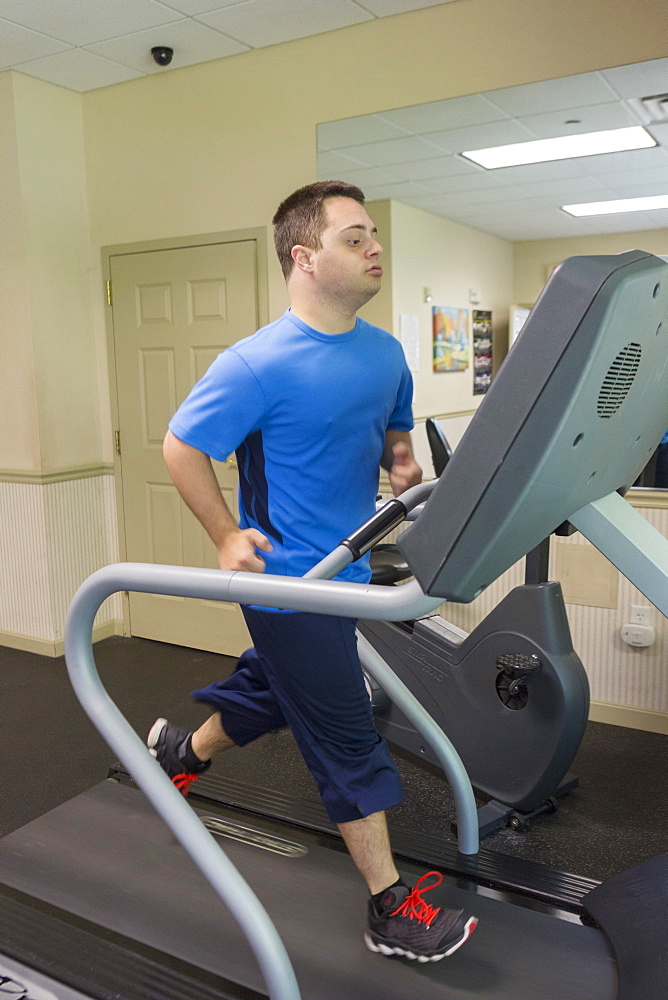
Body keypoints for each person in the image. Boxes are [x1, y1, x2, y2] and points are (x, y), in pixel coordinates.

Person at [149, 180, 478, 962]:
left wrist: (402, 467)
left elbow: (393, 431)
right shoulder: (257, 363)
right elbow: (181, 446)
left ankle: (182, 754)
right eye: (355, 237)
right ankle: (387, 908)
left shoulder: (384, 353)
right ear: (305, 256)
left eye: (373, 236)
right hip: (290, 586)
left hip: (349, 572)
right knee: (345, 729)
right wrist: (228, 537)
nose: (375, 249)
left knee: (278, 689)